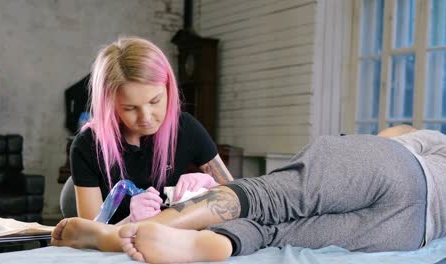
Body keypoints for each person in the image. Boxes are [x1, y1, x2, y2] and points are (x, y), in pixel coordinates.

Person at [52, 125, 446, 263]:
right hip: (411, 231)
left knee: (266, 198)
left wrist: (389, 137)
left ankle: (118, 234)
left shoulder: (433, 142)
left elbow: (391, 140)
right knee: (278, 233)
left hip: (397, 168)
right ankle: (209, 246)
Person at [70, 36, 233, 225]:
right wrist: (130, 221)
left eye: (155, 101)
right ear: (110, 104)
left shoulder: (186, 128)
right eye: (130, 108)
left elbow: (238, 197)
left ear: (169, 89)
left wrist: (209, 185)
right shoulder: (87, 146)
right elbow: (90, 234)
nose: (146, 118)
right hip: (117, 250)